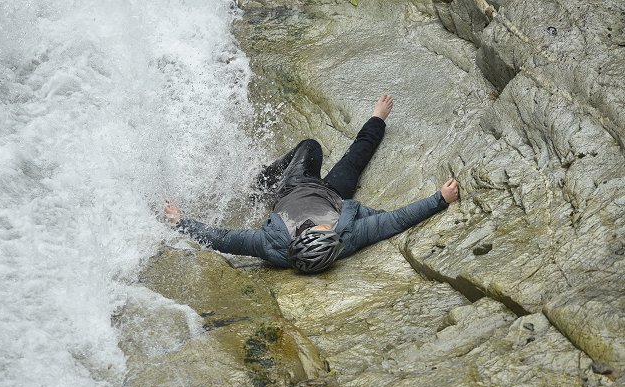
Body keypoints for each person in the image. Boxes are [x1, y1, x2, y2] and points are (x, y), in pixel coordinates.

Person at [164, 94, 459, 273]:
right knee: (357, 155)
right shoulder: (346, 236)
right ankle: (377, 118)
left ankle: (258, 185)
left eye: (324, 230)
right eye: (331, 233)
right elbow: (395, 221)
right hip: (333, 194)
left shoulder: (271, 244)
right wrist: (439, 200)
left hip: (294, 188)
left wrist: (181, 223)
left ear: (301, 238)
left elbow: (223, 239)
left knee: (310, 146)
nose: (329, 227)